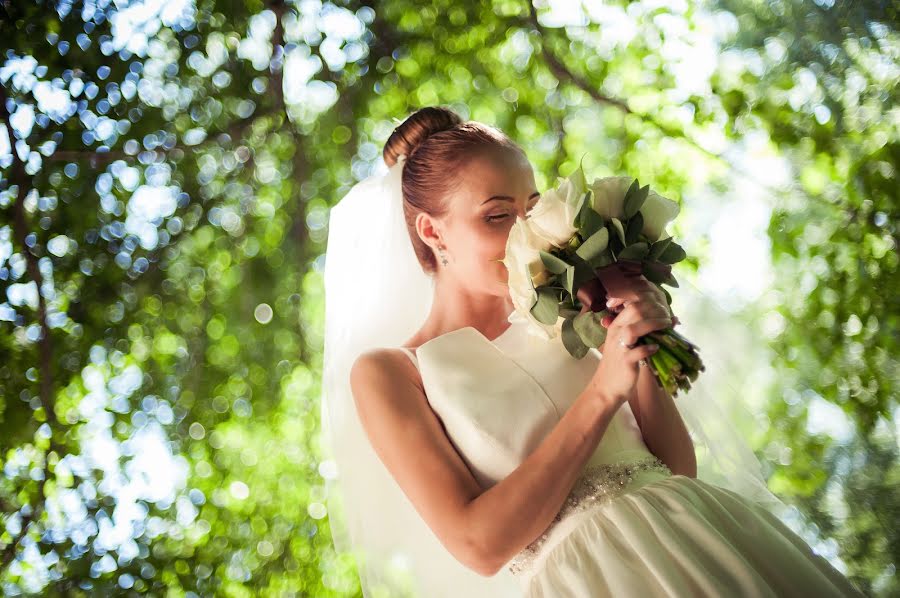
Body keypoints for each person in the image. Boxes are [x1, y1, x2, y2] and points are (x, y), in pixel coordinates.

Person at [321, 105, 865, 597]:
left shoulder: (574, 307)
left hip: (699, 539)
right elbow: (478, 545)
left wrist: (637, 339)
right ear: (431, 231)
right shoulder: (392, 373)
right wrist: (604, 391)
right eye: (495, 215)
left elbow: (675, 467)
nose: (521, 234)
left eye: (529, 210)